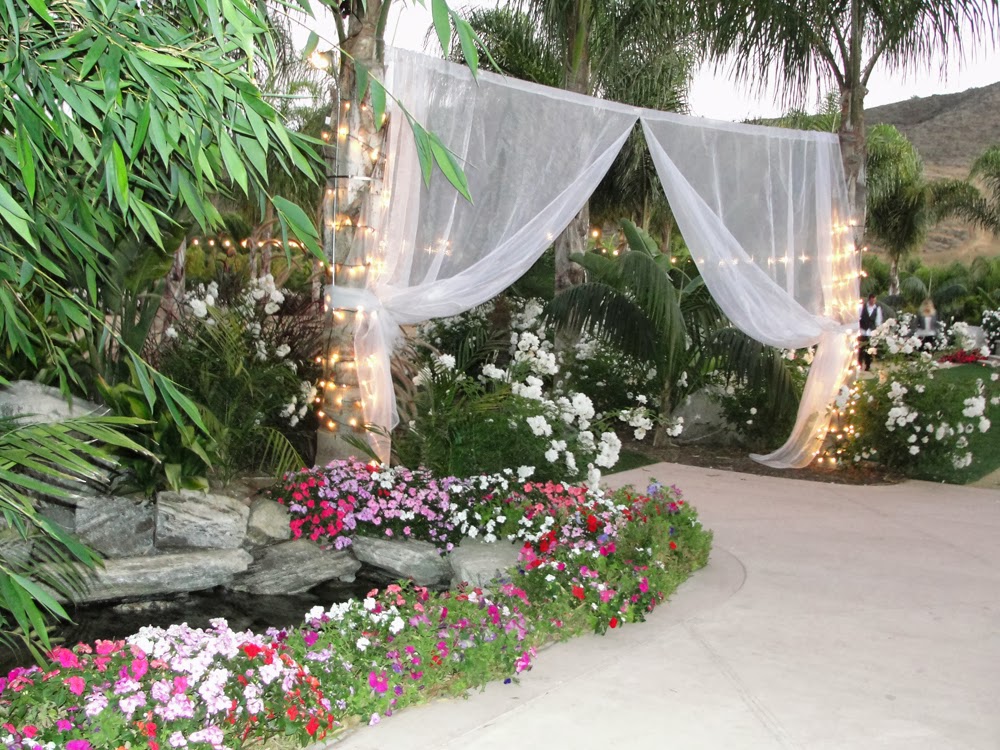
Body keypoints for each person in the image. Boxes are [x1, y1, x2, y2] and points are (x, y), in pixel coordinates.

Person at [858, 293, 882, 371]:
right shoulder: (862, 307)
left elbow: (878, 321)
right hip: (863, 330)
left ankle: (868, 365)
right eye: (872, 300)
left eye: (874, 300)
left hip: (871, 331)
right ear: (869, 300)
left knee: (870, 349)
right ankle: (859, 364)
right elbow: (858, 317)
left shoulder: (877, 309)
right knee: (861, 349)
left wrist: (877, 331)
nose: (873, 302)